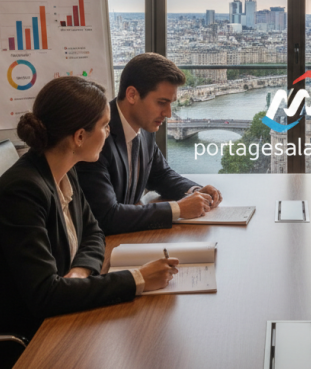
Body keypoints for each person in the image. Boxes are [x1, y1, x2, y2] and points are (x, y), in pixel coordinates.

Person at [0, 76, 179, 369]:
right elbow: (47, 296)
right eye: (105, 125)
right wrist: (138, 279)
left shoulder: (62, 170)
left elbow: (94, 233)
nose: (109, 133)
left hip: (50, 322)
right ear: (80, 136)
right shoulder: (23, 193)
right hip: (9, 346)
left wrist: (80, 273)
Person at [77, 53, 223, 235]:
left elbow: (160, 175)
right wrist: (178, 209)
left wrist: (195, 191)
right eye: (162, 102)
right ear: (132, 95)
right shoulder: (97, 136)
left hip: (129, 237)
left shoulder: (144, 127)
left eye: (171, 103)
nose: (169, 113)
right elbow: (106, 216)